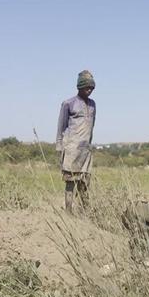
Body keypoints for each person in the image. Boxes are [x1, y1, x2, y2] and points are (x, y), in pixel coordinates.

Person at [56, 70, 96, 212]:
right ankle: (68, 213)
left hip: (85, 150)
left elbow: (91, 128)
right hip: (71, 149)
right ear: (79, 86)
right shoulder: (68, 103)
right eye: (87, 87)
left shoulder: (92, 105)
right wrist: (60, 147)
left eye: (91, 87)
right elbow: (61, 127)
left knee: (84, 183)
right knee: (70, 182)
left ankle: (86, 213)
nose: (89, 90)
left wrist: (89, 146)